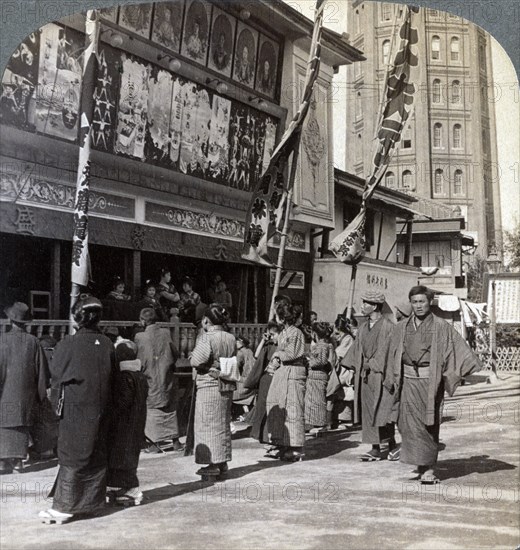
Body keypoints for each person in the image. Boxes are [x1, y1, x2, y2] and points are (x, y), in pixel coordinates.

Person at [384, 285, 482, 483]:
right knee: (407, 424)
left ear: (430, 302)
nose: (418, 306)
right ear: (410, 303)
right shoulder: (401, 327)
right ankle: (420, 464)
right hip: (407, 381)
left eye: (422, 301)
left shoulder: (441, 326)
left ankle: (428, 469)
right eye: (414, 302)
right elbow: (390, 353)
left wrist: (460, 371)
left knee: (428, 424)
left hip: (430, 383)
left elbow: (457, 349)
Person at [40, 296, 114, 524]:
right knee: (96, 450)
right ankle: (93, 504)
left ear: (77, 318)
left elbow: (57, 373)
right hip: (101, 406)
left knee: (73, 452)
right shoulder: (108, 344)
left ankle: (65, 506)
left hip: (76, 406)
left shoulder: (67, 344)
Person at [344, 290, 396, 462]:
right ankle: (375, 447)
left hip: (381, 374)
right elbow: (357, 349)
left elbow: (387, 352)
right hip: (365, 375)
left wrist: (372, 365)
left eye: (365, 303)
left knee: (383, 409)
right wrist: (353, 368)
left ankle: (392, 445)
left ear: (374, 306)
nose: (362, 306)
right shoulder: (363, 327)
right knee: (368, 411)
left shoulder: (388, 326)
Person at [0, 302, 49, 474]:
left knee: (4, 424)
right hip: (25, 394)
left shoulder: (2, 340)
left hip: (4, 392)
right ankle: (19, 461)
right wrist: (40, 394)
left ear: (9, 320)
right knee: (21, 424)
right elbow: (42, 371)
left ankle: (3, 461)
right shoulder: (34, 342)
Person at [190, 304, 237, 477]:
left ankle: (211, 464)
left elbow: (196, 360)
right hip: (225, 382)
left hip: (209, 384)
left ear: (206, 320)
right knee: (222, 424)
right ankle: (222, 461)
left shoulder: (206, 337)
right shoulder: (230, 337)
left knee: (207, 424)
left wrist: (192, 357)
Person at [134, 308, 183, 453]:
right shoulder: (166, 333)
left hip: (149, 378)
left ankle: (154, 444)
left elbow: (139, 360)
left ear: (142, 321)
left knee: (152, 409)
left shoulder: (139, 337)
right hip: (165, 375)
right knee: (169, 406)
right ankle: (175, 442)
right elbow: (175, 353)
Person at [106, 340, 148, 506]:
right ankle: (121, 488)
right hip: (137, 423)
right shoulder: (140, 375)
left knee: (122, 456)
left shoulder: (124, 377)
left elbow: (122, 403)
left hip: (124, 425)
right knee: (129, 456)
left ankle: (131, 489)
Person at [266, 302, 307, 462]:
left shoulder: (295, 332)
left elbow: (291, 353)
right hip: (283, 372)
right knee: (281, 405)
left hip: (293, 372)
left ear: (283, 317)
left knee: (293, 407)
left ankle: (296, 448)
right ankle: (284, 442)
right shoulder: (284, 332)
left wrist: (277, 355)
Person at [248, 322, 281, 445]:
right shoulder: (269, 345)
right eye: (270, 334)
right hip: (266, 378)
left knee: (273, 407)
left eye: (274, 334)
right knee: (262, 406)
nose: (272, 337)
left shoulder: (283, 346)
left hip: (277, 378)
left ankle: (269, 435)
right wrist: (263, 341)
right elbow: (256, 355)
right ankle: (258, 434)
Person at [305, 322, 335, 434]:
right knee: (314, 401)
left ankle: (319, 423)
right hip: (316, 376)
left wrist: (309, 361)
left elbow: (322, 361)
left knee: (317, 401)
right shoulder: (324, 345)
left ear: (314, 334)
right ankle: (316, 423)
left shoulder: (322, 346)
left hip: (317, 376)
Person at [232, 336, 256, 420]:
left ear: (240, 343)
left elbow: (236, 367)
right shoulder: (250, 351)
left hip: (243, 384)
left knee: (229, 390)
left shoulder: (240, 353)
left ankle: (233, 414)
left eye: (237, 342)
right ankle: (246, 412)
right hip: (252, 382)